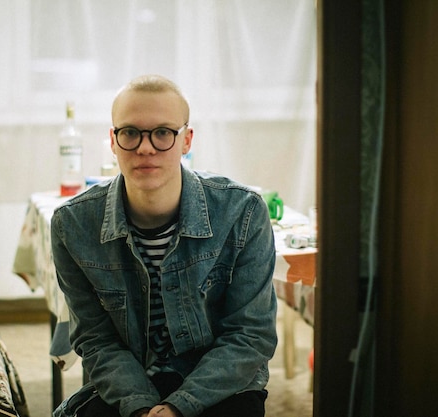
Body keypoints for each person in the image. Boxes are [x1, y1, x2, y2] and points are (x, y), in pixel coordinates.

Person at [51, 74, 277, 417]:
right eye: (130, 132)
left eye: (162, 133)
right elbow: (96, 338)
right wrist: (141, 406)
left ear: (186, 140)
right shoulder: (73, 224)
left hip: (219, 385)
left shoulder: (242, 212)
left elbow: (250, 336)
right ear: (112, 142)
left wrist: (178, 407)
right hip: (130, 382)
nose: (145, 147)